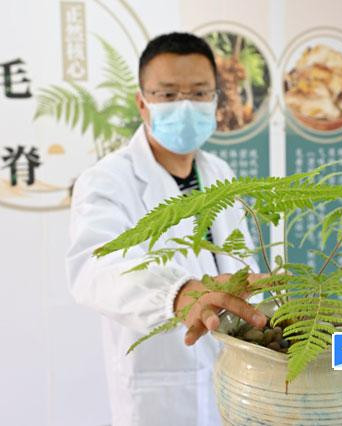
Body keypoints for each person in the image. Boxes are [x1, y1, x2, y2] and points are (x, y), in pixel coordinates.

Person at [66, 32, 268, 426]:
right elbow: (95, 266)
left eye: (199, 93)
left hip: (238, 384)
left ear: (215, 101)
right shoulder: (107, 181)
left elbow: (242, 265)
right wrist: (176, 293)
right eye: (169, 94)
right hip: (163, 397)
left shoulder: (220, 173)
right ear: (143, 103)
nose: (185, 106)